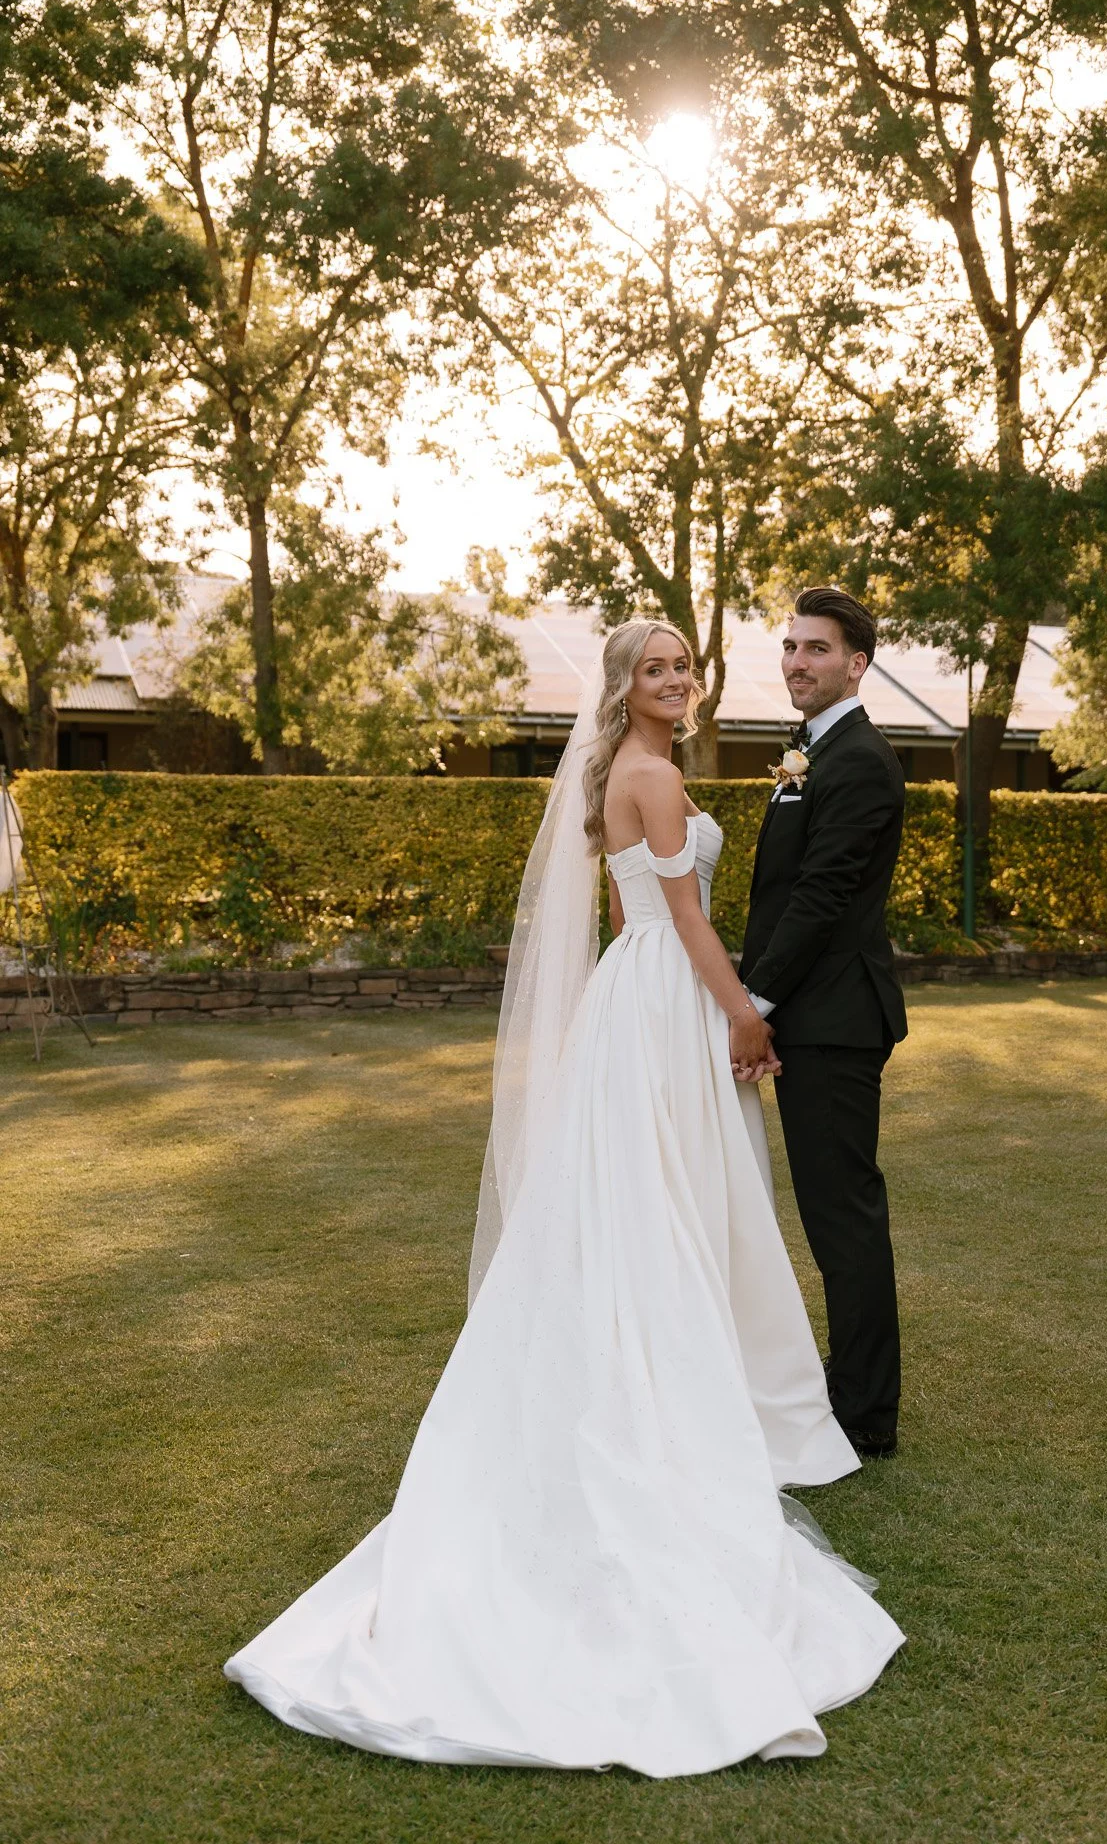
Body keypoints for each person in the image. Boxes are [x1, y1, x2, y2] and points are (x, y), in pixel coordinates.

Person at [224, 617, 903, 1778]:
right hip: (665, 993)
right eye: (657, 670)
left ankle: (663, 1358)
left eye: (687, 669)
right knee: (673, 1200)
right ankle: (680, 1382)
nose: (678, 683)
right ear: (624, 686)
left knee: (638, 1199)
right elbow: (687, 920)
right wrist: (744, 1011)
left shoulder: (614, 775)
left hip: (629, 997)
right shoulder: (654, 774)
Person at [740, 587, 908, 1458]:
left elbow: (821, 897)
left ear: (856, 664)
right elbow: (779, 900)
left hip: (835, 1020)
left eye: (816, 649)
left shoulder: (862, 762)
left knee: (842, 1217)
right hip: (807, 1011)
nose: (797, 663)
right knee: (828, 1214)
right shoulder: (809, 751)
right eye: (790, 647)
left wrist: (751, 1006)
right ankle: (851, 1396)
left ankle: (864, 1415)